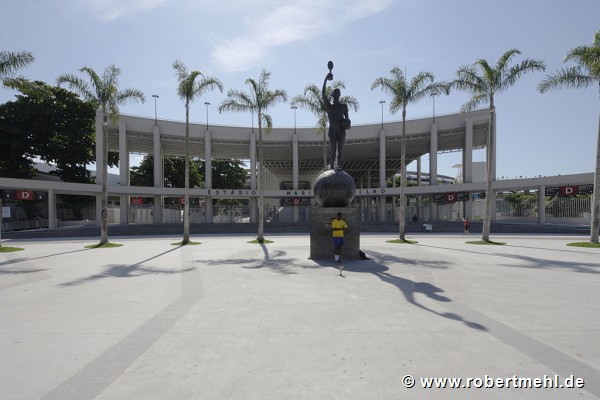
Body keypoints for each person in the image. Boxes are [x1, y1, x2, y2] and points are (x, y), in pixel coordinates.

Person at [322, 73, 350, 170]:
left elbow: (347, 119)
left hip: (341, 130)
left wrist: (346, 124)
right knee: (333, 149)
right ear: (333, 96)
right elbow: (323, 95)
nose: (336, 96)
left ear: (339, 96)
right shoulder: (330, 107)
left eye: (338, 94)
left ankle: (339, 166)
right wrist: (326, 79)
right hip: (332, 130)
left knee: (340, 149)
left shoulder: (344, 106)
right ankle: (332, 165)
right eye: (335, 94)